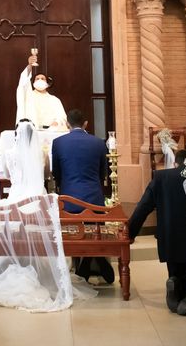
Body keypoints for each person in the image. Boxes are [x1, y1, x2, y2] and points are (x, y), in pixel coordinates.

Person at [128, 148, 186, 315]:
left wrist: (130, 233)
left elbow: (143, 207)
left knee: (177, 267)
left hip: (171, 236)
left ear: (176, 162)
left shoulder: (161, 177)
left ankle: (176, 283)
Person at [51, 109, 113, 283]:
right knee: (95, 228)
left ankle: (83, 261)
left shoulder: (58, 143)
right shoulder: (98, 143)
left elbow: (56, 172)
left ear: (67, 124)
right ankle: (96, 258)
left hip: (69, 199)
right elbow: (104, 172)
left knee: (73, 232)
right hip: (94, 198)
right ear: (86, 124)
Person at [15, 54, 67, 130]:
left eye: (42, 79)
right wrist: (30, 65)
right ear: (33, 83)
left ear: (47, 83)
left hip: (50, 132)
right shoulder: (28, 96)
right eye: (37, 79)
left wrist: (57, 122)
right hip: (32, 132)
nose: (40, 80)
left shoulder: (54, 100)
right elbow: (23, 82)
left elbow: (62, 117)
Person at [1, 120, 47, 201]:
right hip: (38, 195)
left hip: (16, 196)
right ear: (33, 135)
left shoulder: (8, 154)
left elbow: (7, 175)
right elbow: (46, 175)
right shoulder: (42, 153)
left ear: (16, 135)